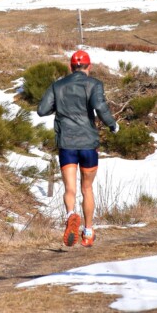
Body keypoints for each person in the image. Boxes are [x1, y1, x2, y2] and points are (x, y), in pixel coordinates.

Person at [37, 49, 118, 247]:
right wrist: (112, 124)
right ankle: (88, 232)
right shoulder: (94, 84)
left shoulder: (58, 85)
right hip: (88, 143)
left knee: (70, 188)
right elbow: (99, 107)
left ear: (70, 67)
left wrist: (61, 105)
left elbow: (42, 110)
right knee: (87, 188)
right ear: (89, 67)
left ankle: (70, 214)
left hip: (67, 143)